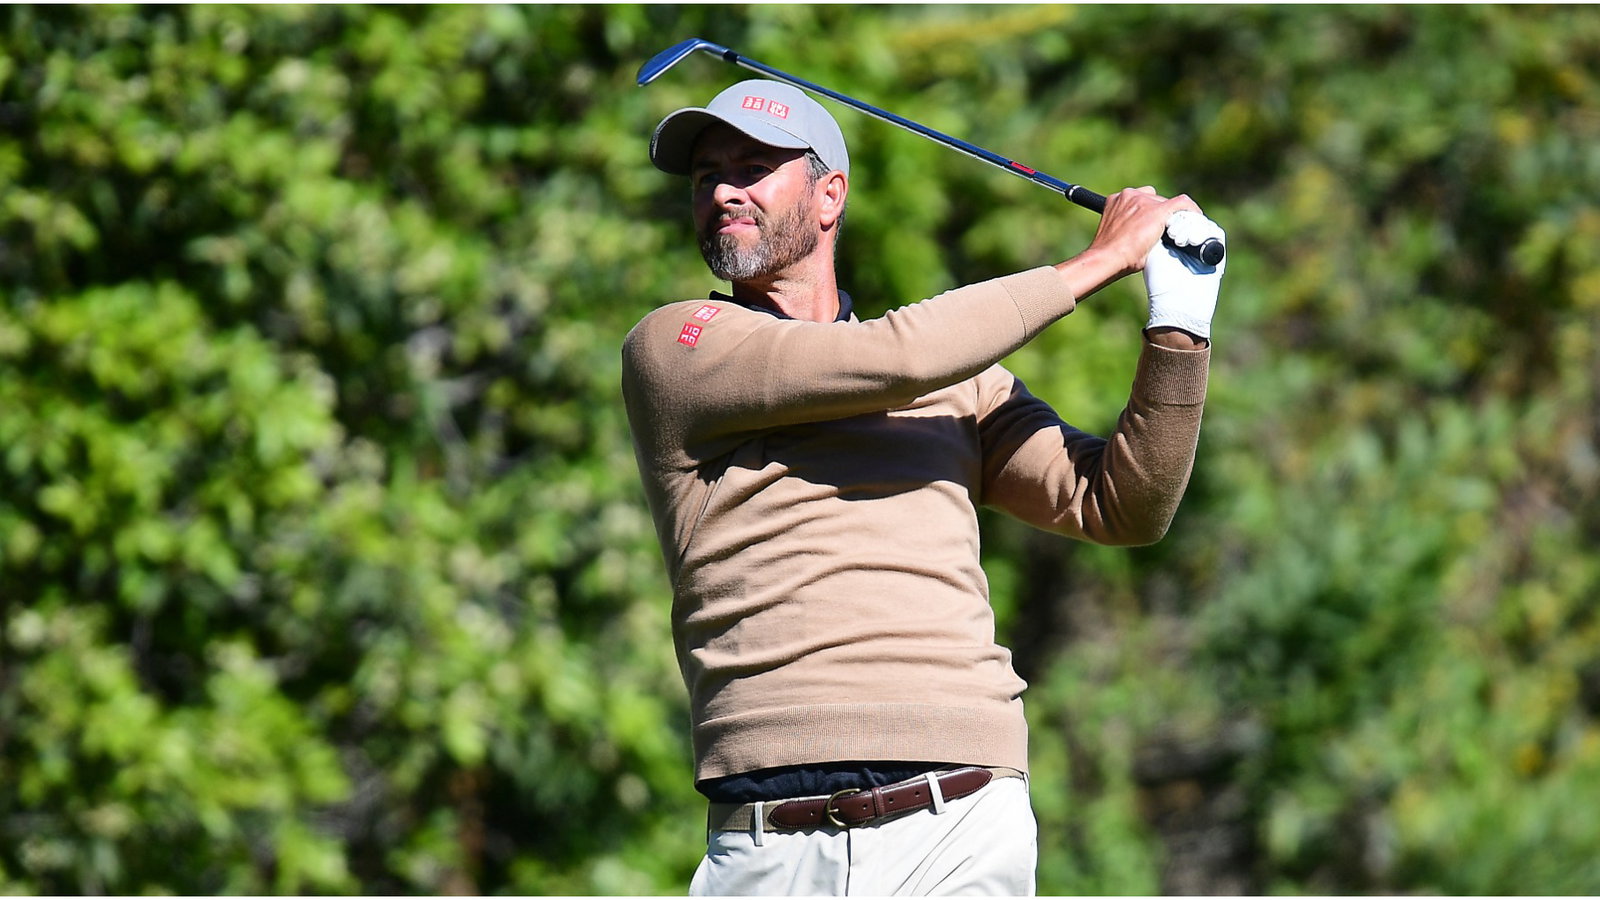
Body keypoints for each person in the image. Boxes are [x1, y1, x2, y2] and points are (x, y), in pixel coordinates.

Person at [621, 78, 1225, 896]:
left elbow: (1121, 504)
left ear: (829, 195)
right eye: (705, 177)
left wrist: (1178, 326)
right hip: (769, 844)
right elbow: (893, 360)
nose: (724, 190)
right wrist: (1102, 259)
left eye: (752, 167)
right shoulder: (680, 349)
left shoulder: (962, 385)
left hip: (960, 823)